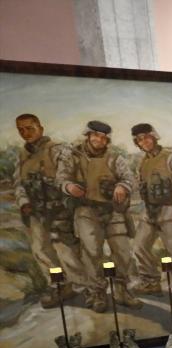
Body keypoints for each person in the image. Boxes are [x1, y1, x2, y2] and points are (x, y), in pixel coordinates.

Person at [57, 120, 142, 312]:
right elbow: (61, 179)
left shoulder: (114, 159)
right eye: (95, 135)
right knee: (92, 253)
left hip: (113, 210)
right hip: (86, 211)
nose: (99, 140)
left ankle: (122, 291)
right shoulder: (72, 156)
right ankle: (97, 292)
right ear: (88, 136)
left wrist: (122, 186)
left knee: (122, 252)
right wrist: (69, 187)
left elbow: (130, 179)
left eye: (103, 137)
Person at [13, 114, 88, 307]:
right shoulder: (21, 156)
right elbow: (19, 183)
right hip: (36, 213)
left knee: (67, 251)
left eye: (30, 128)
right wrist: (24, 202)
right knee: (42, 251)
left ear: (41, 128)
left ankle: (85, 287)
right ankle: (60, 286)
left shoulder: (58, 150)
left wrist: (66, 190)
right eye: (21, 129)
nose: (25, 133)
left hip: (59, 210)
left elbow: (65, 176)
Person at [130, 123, 172, 308]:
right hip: (150, 213)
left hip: (170, 211)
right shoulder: (142, 162)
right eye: (140, 140)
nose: (144, 142)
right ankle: (151, 281)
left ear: (154, 137)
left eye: (147, 137)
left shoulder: (171, 158)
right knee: (139, 246)